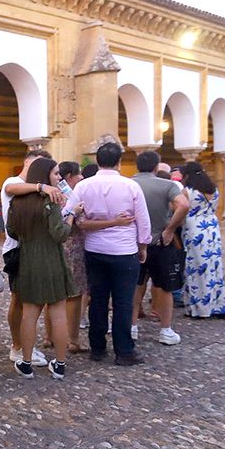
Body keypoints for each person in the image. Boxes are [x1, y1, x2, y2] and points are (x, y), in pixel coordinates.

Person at [63, 142, 150, 365]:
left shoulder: (84, 186)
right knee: (123, 301)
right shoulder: (130, 186)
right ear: (119, 161)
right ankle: (124, 350)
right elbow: (143, 219)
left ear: (97, 161)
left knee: (98, 299)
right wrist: (143, 246)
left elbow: (69, 212)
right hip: (124, 249)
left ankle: (98, 348)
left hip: (95, 249)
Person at [6, 157, 79, 380]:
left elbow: (11, 231)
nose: (59, 177)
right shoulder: (51, 201)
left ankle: (26, 363)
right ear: (45, 175)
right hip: (52, 261)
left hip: (28, 262)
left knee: (29, 314)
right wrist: (72, 215)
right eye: (56, 173)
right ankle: (59, 364)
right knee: (57, 315)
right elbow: (60, 234)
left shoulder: (17, 202)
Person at [0, 150, 64, 367]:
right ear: (28, 162)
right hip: (18, 249)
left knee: (27, 302)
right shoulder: (15, 181)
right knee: (20, 301)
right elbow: (10, 188)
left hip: (30, 248)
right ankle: (18, 346)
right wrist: (42, 187)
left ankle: (24, 347)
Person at [131, 150, 188, 345]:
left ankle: (132, 327)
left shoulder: (128, 183)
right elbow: (184, 205)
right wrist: (170, 229)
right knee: (165, 287)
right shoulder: (167, 185)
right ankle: (166, 329)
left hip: (134, 243)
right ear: (156, 166)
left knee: (135, 286)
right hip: (160, 242)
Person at [179, 162, 225, 318]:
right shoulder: (214, 190)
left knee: (196, 267)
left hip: (195, 229)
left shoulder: (188, 192)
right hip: (212, 228)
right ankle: (217, 305)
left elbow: (181, 210)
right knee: (213, 266)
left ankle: (200, 307)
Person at [56, 162, 88, 351]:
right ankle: (73, 339)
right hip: (72, 245)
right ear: (69, 176)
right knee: (74, 294)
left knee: (54, 295)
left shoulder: (49, 194)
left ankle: (49, 336)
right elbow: (81, 222)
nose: (81, 178)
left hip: (54, 247)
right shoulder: (70, 196)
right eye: (79, 174)